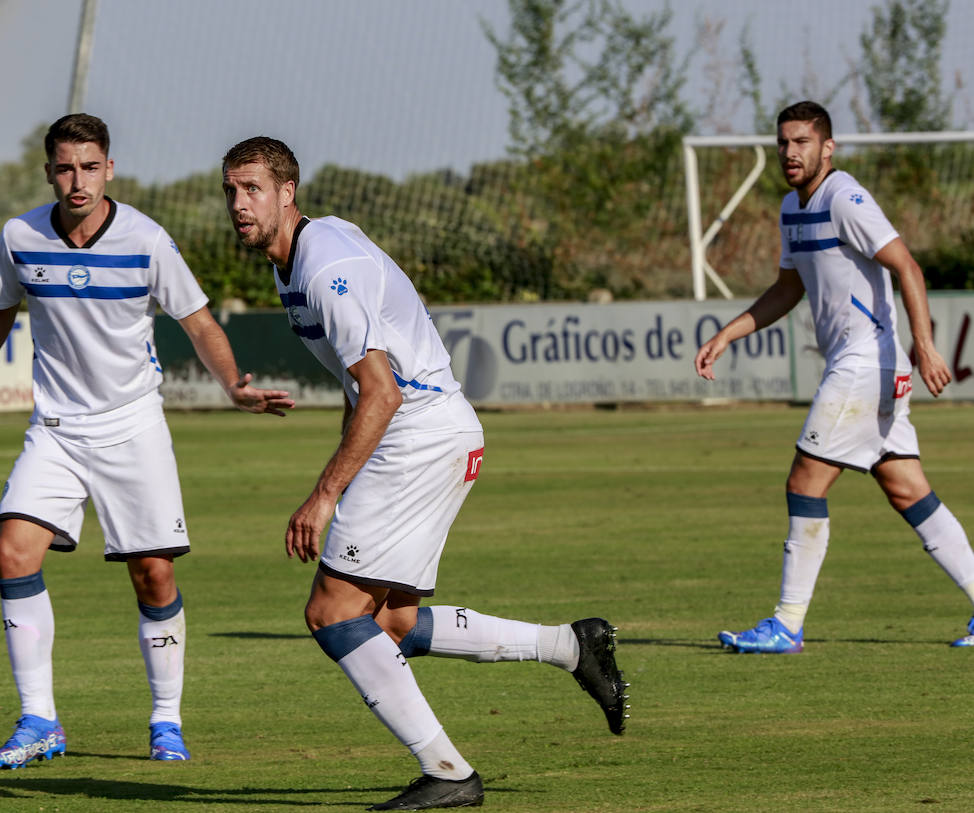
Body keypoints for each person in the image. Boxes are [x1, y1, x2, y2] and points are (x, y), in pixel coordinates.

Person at [222, 136, 628, 811]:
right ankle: (571, 644)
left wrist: (326, 494)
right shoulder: (294, 260)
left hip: (420, 434)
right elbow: (365, 393)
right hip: (431, 433)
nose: (239, 203)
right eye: (231, 191)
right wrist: (343, 478)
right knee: (395, 621)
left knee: (331, 612)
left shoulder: (325, 269)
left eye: (253, 189)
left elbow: (381, 392)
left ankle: (448, 772)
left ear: (287, 193)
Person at [0, 114, 295, 768]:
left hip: (132, 426)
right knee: (12, 550)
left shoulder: (146, 239)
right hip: (55, 428)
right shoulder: (20, 236)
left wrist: (232, 385)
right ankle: (39, 719)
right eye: (64, 168)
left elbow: (197, 322)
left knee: (153, 572)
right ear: (49, 171)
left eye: (89, 166)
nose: (76, 180)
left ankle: (165, 718)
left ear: (109, 168)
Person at [695, 100, 974, 653]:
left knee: (805, 482)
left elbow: (907, 266)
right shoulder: (790, 208)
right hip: (865, 365)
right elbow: (788, 289)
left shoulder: (844, 197)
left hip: (865, 362)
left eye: (801, 142)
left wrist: (924, 344)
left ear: (827, 147)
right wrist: (728, 333)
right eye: (783, 143)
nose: (790, 153)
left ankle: (787, 624)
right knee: (907, 489)